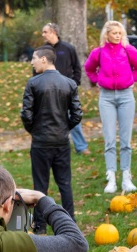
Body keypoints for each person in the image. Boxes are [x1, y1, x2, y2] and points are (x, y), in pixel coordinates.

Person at [21, 46, 83, 234]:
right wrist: (64, 128)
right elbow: (77, 114)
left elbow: (26, 114)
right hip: (61, 141)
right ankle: (69, 223)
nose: (31, 62)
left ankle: (40, 227)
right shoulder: (69, 83)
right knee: (65, 183)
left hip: (41, 142)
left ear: (44, 60)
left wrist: (35, 131)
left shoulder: (33, 83)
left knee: (40, 185)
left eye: (34, 58)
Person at [84, 21, 137, 194]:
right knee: (110, 139)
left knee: (126, 140)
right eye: (115, 33)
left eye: (120, 33)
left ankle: (126, 177)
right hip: (106, 97)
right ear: (107, 34)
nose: (118, 36)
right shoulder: (98, 52)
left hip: (126, 96)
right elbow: (89, 69)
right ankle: (111, 178)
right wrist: (97, 81)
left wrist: (131, 80)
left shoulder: (128, 50)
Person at [41, 22, 89, 155]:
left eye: (45, 32)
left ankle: (81, 147)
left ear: (53, 32)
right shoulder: (41, 51)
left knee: (73, 118)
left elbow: (77, 68)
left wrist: (74, 84)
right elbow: (36, 70)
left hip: (67, 90)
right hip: (48, 91)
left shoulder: (68, 48)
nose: (43, 35)